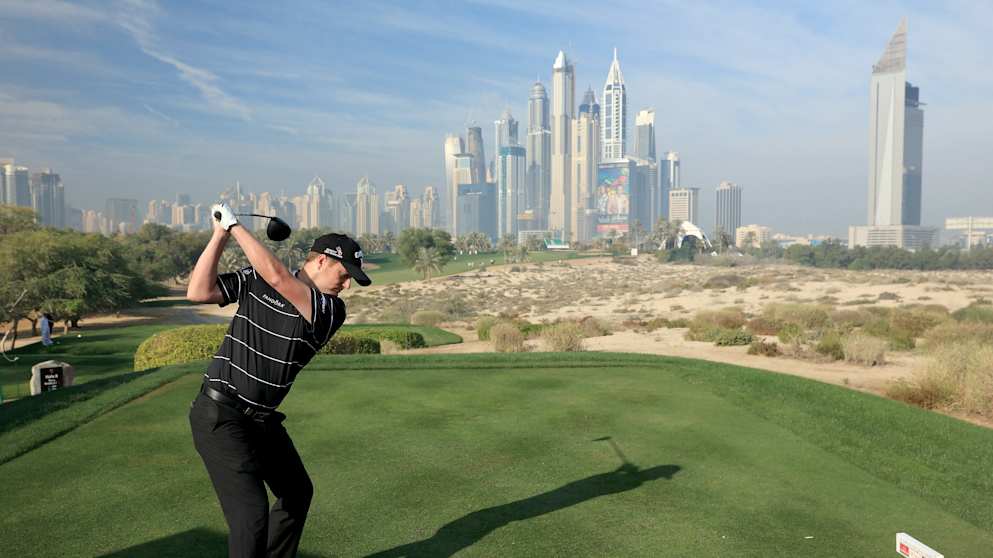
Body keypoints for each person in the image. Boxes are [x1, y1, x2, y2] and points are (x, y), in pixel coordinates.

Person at [186, 203, 371, 557]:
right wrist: (218, 235)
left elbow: (279, 279)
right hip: (220, 415)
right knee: (250, 515)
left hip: (261, 421)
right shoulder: (254, 280)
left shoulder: (331, 309)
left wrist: (236, 225)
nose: (347, 285)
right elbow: (198, 292)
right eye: (344, 274)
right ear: (320, 261)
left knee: (297, 492)